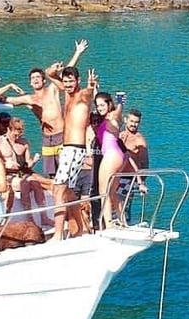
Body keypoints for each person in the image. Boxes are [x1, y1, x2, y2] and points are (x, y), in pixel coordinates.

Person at [7, 39, 89, 177]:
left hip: (61, 135)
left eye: (38, 77)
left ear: (44, 80)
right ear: (30, 82)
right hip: (47, 139)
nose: (35, 80)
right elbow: (7, 100)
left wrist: (77, 53)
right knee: (51, 174)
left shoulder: (52, 90)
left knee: (65, 171)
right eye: (33, 78)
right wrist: (8, 86)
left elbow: (66, 75)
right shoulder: (29, 99)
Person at [50, 67, 97, 241]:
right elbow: (49, 74)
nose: (68, 84)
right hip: (68, 149)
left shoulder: (83, 95)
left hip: (75, 149)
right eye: (66, 81)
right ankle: (82, 229)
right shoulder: (67, 95)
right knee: (69, 193)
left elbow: (89, 93)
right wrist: (58, 70)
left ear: (78, 81)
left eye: (72, 81)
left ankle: (57, 235)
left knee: (59, 190)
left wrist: (91, 85)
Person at [0, 117, 52, 228]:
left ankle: (44, 217)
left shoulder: (24, 143)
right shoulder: (0, 142)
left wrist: (34, 161)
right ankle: (30, 218)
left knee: (36, 184)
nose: (17, 137)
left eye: (19, 135)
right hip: (8, 175)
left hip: (23, 173)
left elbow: (28, 164)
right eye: (15, 135)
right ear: (9, 129)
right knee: (24, 184)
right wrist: (6, 165)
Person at [94, 92, 135, 229]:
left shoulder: (112, 116)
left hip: (111, 155)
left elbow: (117, 113)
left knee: (103, 192)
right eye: (97, 105)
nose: (99, 108)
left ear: (109, 104)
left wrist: (120, 103)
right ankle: (122, 220)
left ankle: (109, 225)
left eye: (102, 105)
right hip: (117, 155)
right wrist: (94, 88)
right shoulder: (105, 117)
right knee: (112, 192)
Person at [118, 107, 150, 220]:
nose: (134, 124)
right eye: (132, 121)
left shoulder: (139, 139)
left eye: (137, 122)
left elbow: (145, 162)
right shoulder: (119, 135)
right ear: (126, 119)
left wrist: (141, 182)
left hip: (129, 178)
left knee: (123, 205)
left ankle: (125, 223)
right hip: (116, 176)